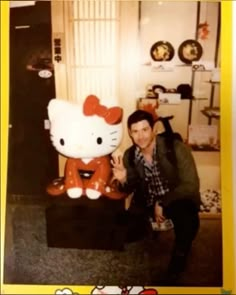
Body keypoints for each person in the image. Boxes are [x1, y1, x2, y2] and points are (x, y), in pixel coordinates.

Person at [111, 110, 200, 282]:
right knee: (121, 233)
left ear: (154, 130)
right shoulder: (130, 156)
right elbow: (130, 188)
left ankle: (178, 261)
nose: (141, 136)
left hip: (175, 198)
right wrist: (123, 179)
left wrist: (162, 202)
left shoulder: (175, 148)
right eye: (135, 131)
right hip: (147, 201)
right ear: (130, 133)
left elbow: (191, 185)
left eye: (145, 130)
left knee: (189, 221)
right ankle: (149, 227)